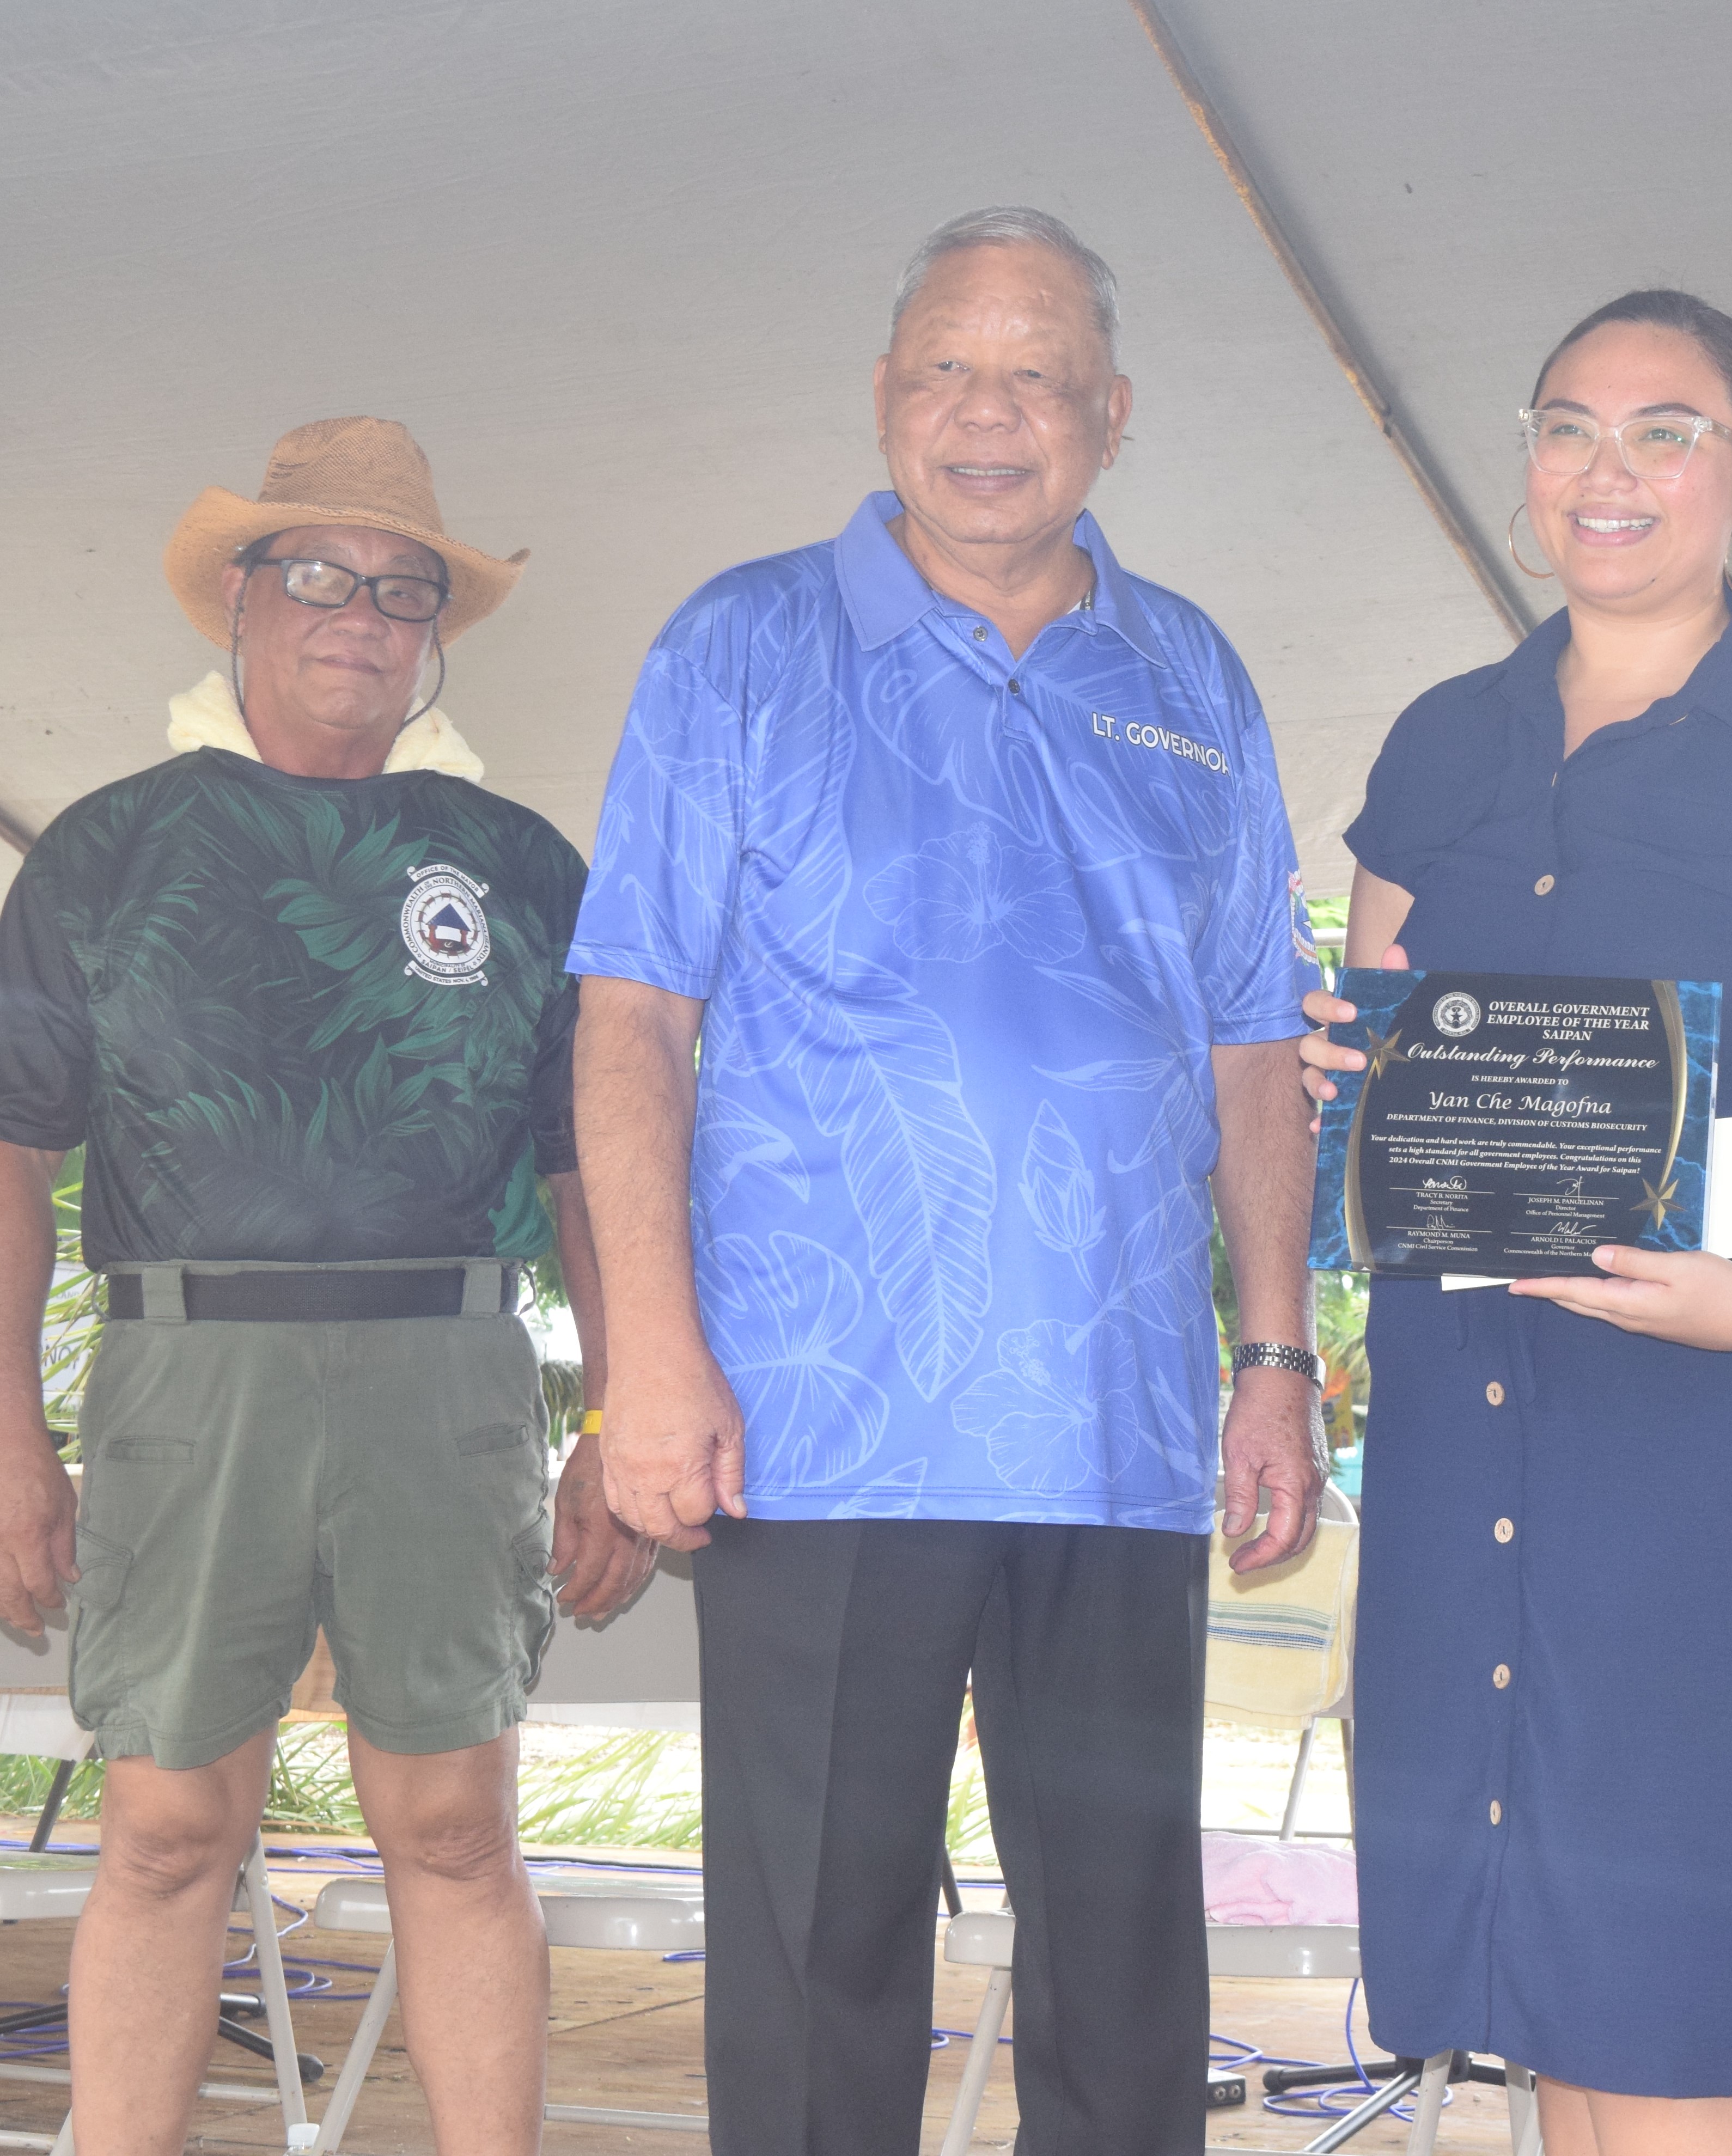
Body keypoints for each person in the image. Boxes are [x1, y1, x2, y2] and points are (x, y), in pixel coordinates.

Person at [568, 206, 1327, 2156]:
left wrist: (1273, 1360)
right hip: (819, 1424)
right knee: (818, 1968)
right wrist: (643, 1361)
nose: (987, 416)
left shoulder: (1193, 676)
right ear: (885, 394)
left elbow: (1254, 1039)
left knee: (1126, 1972)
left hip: (1115, 1429)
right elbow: (634, 1015)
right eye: (946, 371)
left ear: (1113, 412)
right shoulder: (737, 645)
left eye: (1037, 377)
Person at [1301, 289, 1732, 2156]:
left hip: (1723, 1440)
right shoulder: (1440, 747)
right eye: (1571, 425)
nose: (1612, 470)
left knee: (1683, 2015)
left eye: (1667, 431)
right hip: (1476, 1418)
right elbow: (1390, 1070)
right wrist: (1337, 1071)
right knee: (1558, 2013)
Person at [0, 416, 654, 2153]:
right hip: (179, 1381)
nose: (361, 614)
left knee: (451, 1830)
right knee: (160, 1834)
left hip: (448, 1380)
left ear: (436, 628)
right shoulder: (103, 855)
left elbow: (597, 1158)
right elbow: (12, 1145)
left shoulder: (516, 867)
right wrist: (7, 1437)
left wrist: (619, 1411)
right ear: (237, 597)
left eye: (402, 587)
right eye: (319, 575)